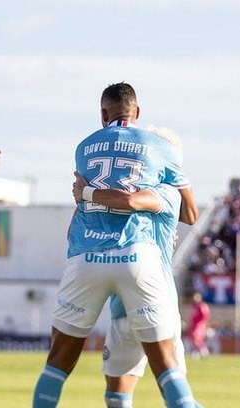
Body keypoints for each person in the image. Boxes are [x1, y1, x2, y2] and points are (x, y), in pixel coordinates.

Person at [33, 83, 199, 407]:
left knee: (57, 365)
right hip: (139, 260)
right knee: (166, 368)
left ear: (103, 114)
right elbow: (186, 211)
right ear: (137, 112)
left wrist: (87, 195)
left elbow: (75, 218)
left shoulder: (83, 148)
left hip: (86, 256)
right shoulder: (160, 152)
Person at [72, 126, 201, 408]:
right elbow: (191, 214)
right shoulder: (167, 196)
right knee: (163, 391)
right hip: (152, 302)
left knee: (123, 394)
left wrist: (86, 193)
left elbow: (125, 202)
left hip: (133, 304)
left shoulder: (145, 194)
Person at [188, 292, 210, 359]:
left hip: (199, 326)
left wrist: (203, 325)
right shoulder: (195, 306)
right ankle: (199, 352)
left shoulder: (202, 306)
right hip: (194, 326)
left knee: (197, 339)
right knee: (194, 339)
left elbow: (205, 316)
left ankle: (203, 351)